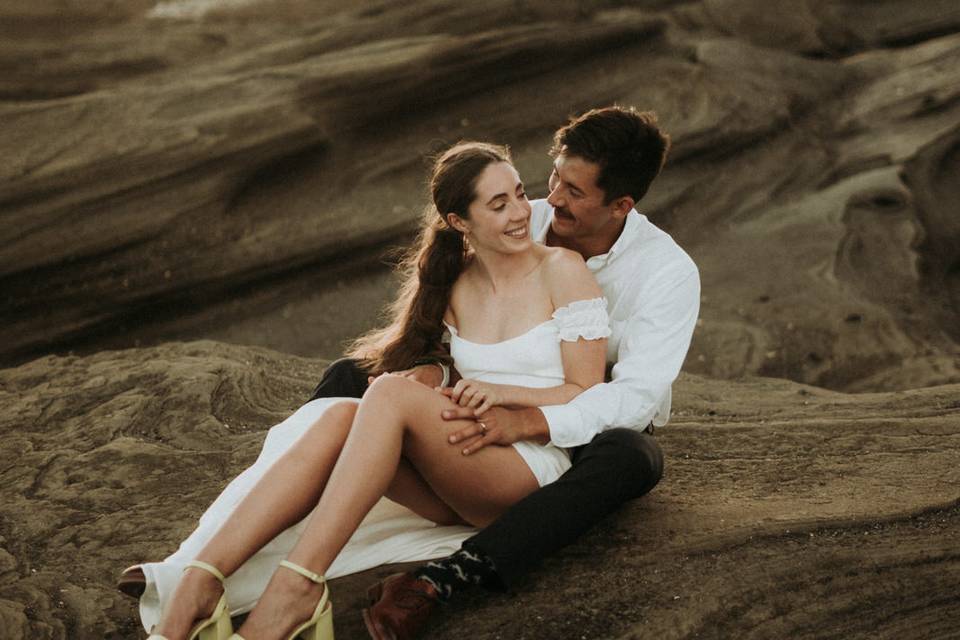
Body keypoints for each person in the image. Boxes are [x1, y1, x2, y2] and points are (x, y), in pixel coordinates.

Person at [128, 140, 615, 640]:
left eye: (518, 194)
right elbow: (448, 361)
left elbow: (589, 389)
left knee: (383, 396)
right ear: (459, 222)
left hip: (527, 468)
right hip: (459, 463)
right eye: (499, 204)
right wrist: (438, 376)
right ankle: (200, 579)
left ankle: (294, 589)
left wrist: (499, 393)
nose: (520, 213)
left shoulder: (563, 270)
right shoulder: (455, 283)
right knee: (338, 414)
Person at [331, 106, 701, 639]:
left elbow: (638, 395)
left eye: (574, 192)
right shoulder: (522, 218)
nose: (551, 199)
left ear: (622, 205)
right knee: (351, 376)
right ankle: (295, 491)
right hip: (477, 392)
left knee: (635, 458)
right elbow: (453, 317)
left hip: (580, 420)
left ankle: (444, 579)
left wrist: (530, 421)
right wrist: (435, 370)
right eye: (554, 176)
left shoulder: (667, 273)